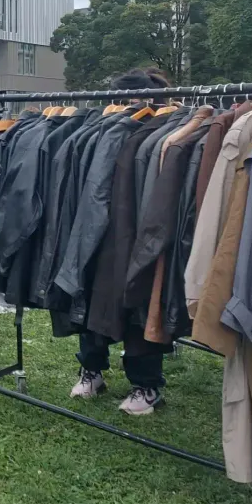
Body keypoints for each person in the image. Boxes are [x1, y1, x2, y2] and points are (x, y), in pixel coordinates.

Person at [70, 67, 172, 416]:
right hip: (100, 233)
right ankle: (92, 370)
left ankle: (147, 385)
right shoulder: (100, 130)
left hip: (142, 233)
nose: (122, 106)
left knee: (139, 308)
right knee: (92, 298)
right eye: (117, 100)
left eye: (129, 100)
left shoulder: (166, 135)